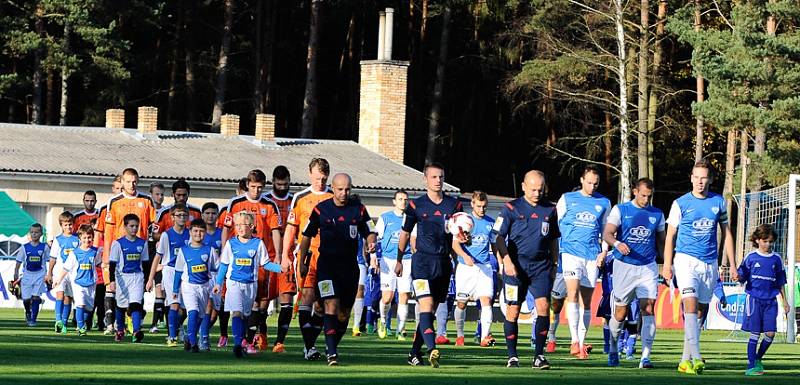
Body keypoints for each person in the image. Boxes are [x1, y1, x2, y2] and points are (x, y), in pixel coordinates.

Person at [662, 159, 738, 375]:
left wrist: (732, 264)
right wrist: (667, 264)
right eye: (696, 177)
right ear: (691, 178)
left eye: (704, 177)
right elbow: (670, 236)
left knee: (701, 311)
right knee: (691, 307)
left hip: (710, 263)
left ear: (710, 180)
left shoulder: (718, 202)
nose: (699, 181)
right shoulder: (680, 203)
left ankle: (685, 359)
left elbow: (727, 233)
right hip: (686, 261)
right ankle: (696, 357)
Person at [297, 173, 377, 366]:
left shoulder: (359, 209)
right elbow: (306, 235)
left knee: (343, 314)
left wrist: (371, 243)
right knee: (329, 305)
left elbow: (370, 231)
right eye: (340, 189)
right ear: (333, 188)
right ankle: (331, 353)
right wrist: (302, 262)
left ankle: (320, 344)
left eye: (348, 189)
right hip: (327, 267)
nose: (344, 193)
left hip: (349, 269)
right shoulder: (321, 210)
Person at [395, 162, 465, 368]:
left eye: (441, 177)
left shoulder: (454, 205)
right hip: (422, 263)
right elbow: (405, 234)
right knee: (424, 306)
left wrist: (463, 243)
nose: (438, 181)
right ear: (425, 179)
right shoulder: (416, 205)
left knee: (430, 312)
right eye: (434, 177)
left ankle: (414, 353)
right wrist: (399, 260)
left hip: (443, 264)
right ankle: (432, 348)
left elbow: (458, 235)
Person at [493, 170, 560, 369]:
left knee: (542, 309)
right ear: (523, 186)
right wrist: (506, 260)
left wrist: (555, 264)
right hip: (515, 266)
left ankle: (538, 356)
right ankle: (512, 356)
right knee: (513, 311)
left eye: (540, 189)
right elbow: (497, 237)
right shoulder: (511, 208)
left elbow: (553, 239)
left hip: (541, 267)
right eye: (533, 189)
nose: (537, 193)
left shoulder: (550, 209)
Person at [601, 178, 664, 369]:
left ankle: (645, 357)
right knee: (620, 312)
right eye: (643, 195)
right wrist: (618, 244)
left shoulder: (657, 214)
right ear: (635, 191)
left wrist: (668, 264)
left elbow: (661, 242)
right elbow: (607, 234)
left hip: (647, 267)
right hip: (624, 266)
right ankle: (613, 349)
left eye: (649, 196)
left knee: (648, 308)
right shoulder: (621, 210)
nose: (646, 199)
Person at [222, 169, 282, 353]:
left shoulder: (270, 205)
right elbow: (226, 228)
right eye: (253, 186)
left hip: (260, 260)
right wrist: (225, 250)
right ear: (247, 184)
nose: (256, 190)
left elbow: (275, 230)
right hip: (237, 261)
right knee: (236, 307)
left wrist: (278, 256)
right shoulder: (235, 203)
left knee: (259, 304)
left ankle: (252, 337)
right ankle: (240, 341)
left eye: (260, 187)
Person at [280, 158, 333, 360]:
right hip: (306, 255)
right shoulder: (301, 197)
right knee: (307, 297)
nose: (321, 182)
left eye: (324, 178)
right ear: (310, 174)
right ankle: (310, 347)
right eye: (318, 177)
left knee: (322, 304)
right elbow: (291, 229)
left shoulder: (332, 196)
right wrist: (285, 255)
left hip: (328, 258)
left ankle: (309, 343)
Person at [556, 165, 611, 359]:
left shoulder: (604, 202)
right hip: (570, 253)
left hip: (592, 256)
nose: (592, 186)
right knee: (572, 293)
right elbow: (555, 224)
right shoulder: (567, 199)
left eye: (596, 183)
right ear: (581, 180)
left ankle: (582, 340)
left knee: (586, 301)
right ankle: (574, 341)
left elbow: (606, 229)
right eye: (589, 182)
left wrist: (604, 251)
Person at [213, 211, 282, 358]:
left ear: (251, 226)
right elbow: (224, 264)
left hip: (251, 284)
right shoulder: (231, 243)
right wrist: (218, 283)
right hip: (234, 283)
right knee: (237, 312)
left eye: (242, 225)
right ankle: (238, 344)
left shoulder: (258, 243)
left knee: (246, 315)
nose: (238, 227)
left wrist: (280, 268)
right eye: (236, 225)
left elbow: (266, 263)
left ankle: (244, 341)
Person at [100, 169, 157, 336]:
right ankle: (119, 327)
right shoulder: (114, 202)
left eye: (134, 181)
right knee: (120, 298)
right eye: (128, 181)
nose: (132, 184)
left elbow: (154, 226)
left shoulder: (146, 200)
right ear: (122, 182)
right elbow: (109, 232)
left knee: (137, 297)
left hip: (140, 252)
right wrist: (107, 257)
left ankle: (136, 327)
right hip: (120, 254)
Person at [737, 224, 789, 376]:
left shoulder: (776, 259)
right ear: (758, 240)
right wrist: (738, 276)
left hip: (771, 301)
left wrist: (785, 301)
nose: (768, 244)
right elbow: (742, 275)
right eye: (765, 241)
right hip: (754, 299)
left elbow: (780, 282)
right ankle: (750, 366)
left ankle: (758, 358)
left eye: (770, 241)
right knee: (755, 333)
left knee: (770, 333)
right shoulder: (750, 257)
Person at [453, 191, 497, 347]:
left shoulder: (491, 223)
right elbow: (455, 244)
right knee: (461, 303)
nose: (482, 209)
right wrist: (465, 256)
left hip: (484, 267)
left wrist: (501, 262)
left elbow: (495, 245)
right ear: (472, 204)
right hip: (466, 268)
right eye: (479, 206)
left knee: (486, 300)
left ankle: (485, 337)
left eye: (484, 206)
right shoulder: (464, 221)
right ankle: (460, 335)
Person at [263, 165, 296, 353]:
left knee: (287, 299)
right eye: (279, 184)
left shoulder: (294, 201)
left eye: (285, 184)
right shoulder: (266, 200)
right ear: (273, 182)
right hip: (267, 256)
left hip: (288, 257)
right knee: (262, 301)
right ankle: (262, 335)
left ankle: (279, 342)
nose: (282, 187)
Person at [146, 204, 190, 347]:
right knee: (175, 304)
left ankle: (176, 328)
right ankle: (172, 337)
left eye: (184, 215)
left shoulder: (190, 234)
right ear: (172, 218)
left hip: (186, 273)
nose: (182, 218)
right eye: (179, 215)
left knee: (185, 308)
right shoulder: (166, 235)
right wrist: (150, 279)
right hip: (171, 272)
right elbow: (157, 258)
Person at [374, 189, 413, 340]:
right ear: (394, 201)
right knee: (387, 297)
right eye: (400, 199)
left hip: (406, 259)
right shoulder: (385, 218)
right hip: (388, 260)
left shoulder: (411, 218)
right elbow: (376, 238)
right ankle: (383, 322)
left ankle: (400, 330)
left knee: (404, 295)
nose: (403, 202)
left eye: (405, 199)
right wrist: (374, 257)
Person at [174, 218, 217, 353]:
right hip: (188, 286)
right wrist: (175, 289)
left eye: (201, 231)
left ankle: (188, 336)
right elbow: (178, 271)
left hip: (204, 286)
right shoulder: (183, 250)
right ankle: (193, 343)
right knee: (193, 312)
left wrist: (220, 282)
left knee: (201, 316)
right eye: (196, 231)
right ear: (190, 232)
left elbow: (217, 267)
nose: (198, 234)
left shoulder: (209, 250)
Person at [52, 224, 101, 336]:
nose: (87, 240)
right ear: (80, 239)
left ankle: (82, 323)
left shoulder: (95, 252)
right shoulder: (75, 253)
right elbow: (66, 268)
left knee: (89, 309)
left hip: (91, 283)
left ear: (92, 238)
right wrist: (58, 279)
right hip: (78, 283)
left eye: (89, 237)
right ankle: (80, 327)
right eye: (84, 238)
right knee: (80, 304)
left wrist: (105, 268)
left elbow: (98, 264)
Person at [108, 213, 150, 343]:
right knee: (121, 306)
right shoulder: (118, 243)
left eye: (136, 226)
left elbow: (146, 263)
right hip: (122, 277)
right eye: (131, 226)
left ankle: (136, 331)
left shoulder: (142, 243)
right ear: (125, 227)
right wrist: (112, 281)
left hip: (137, 277)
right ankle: (120, 329)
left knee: (136, 304)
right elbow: (113, 264)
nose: (134, 229)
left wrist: (147, 280)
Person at [96, 176, 123, 334]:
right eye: (117, 188)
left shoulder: (131, 206)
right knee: (109, 288)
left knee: (123, 291)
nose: (120, 191)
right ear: (113, 189)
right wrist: (97, 254)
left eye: (122, 188)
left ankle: (123, 323)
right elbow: (99, 233)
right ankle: (109, 323)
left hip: (126, 255)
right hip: (109, 254)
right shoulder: (106, 208)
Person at [45, 211, 78, 334]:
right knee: (60, 294)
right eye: (65, 225)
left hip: (72, 273)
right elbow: (53, 258)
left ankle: (64, 322)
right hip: (60, 271)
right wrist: (49, 273)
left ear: (73, 224)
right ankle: (58, 320)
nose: (68, 227)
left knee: (68, 298)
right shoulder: (58, 240)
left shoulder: (77, 239)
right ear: (61, 225)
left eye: (70, 224)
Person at [13, 223, 50, 327]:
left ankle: (33, 319)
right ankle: (28, 312)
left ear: (41, 234)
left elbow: (50, 260)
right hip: (27, 275)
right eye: (32, 232)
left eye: (36, 232)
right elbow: (18, 261)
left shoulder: (44, 247)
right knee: (26, 299)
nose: (34, 234)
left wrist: (50, 274)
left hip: (40, 274)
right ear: (30, 233)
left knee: (36, 297)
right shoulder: (24, 248)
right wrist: (15, 272)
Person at [200, 202, 222, 351]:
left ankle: (200, 332)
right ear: (202, 215)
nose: (210, 216)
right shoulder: (199, 233)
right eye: (207, 213)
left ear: (218, 216)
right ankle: (203, 338)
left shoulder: (222, 233)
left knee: (215, 313)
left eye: (213, 213)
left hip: (219, 275)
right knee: (207, 306)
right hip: (204, 275)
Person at [147, 182, 166, 334]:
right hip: (145, 251)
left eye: (161, 194)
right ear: (151, 194)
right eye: (157, 194)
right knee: (140, 287)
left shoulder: (166, 212)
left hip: (159, 253)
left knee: (160, 288)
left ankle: (156, 322)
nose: (160, 197)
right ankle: (134, 318)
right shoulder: (147, 209)